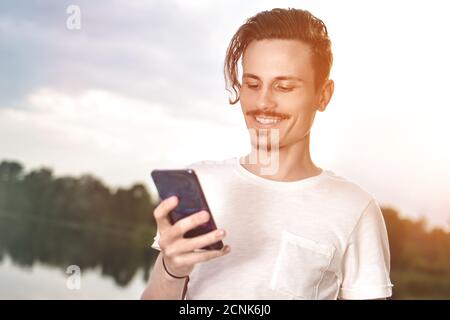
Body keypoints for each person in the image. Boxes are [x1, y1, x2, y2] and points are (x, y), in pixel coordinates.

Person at [141, 8, 393, 300]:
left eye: (284, 86)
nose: (262, 102)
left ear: (323, 95)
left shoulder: (355, 208)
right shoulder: (203, 184)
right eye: (252, 84)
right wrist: (172, 268)